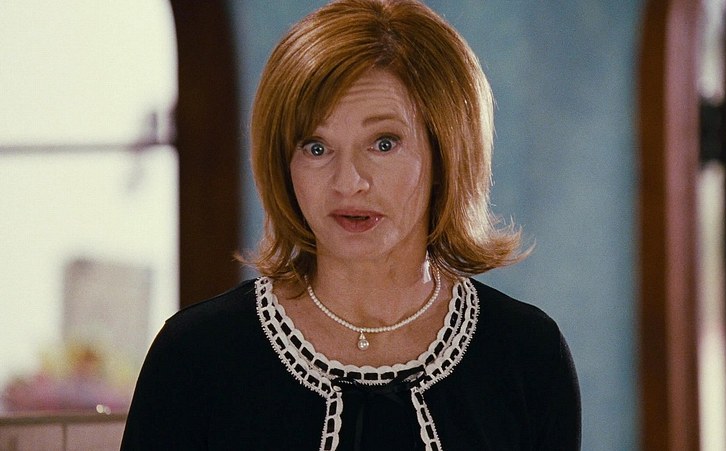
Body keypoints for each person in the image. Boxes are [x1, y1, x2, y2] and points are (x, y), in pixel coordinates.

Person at [121, 0, 580, 449]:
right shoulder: (194, 357)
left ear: (448, 151)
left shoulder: (528, 355)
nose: (348, 183)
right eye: (316, 147)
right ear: (283, 164)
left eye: (384, 143)